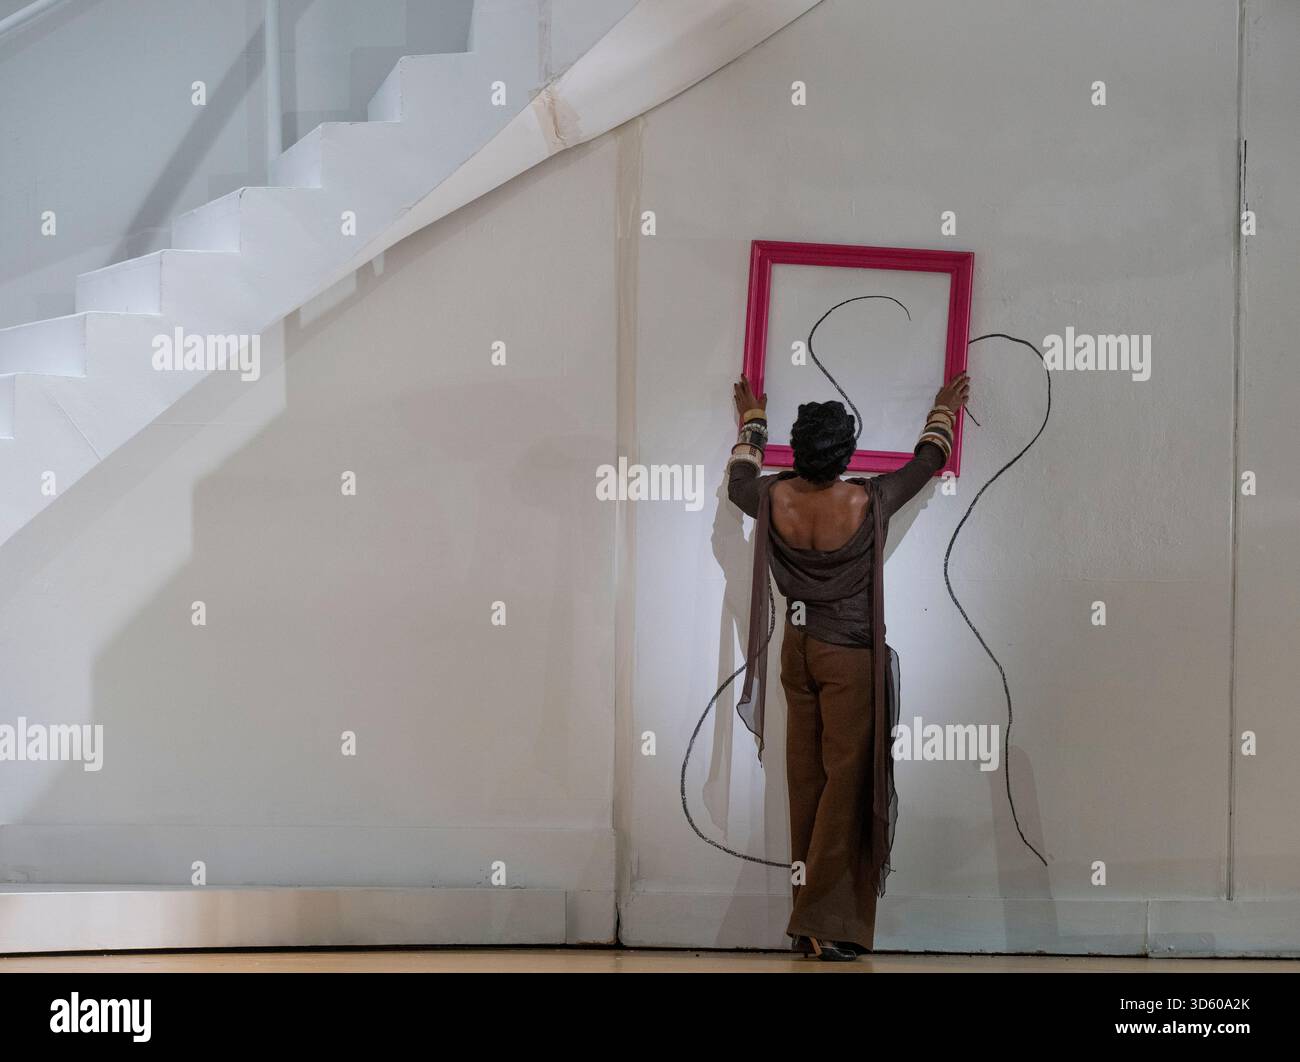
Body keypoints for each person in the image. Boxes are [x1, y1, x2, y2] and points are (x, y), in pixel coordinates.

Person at [725, 370, 971, 961]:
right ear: (846, 454)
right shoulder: (866, 498)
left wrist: (751, 422)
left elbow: (738, 482)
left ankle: (808, 916)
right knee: (847, 785)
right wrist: (942, 409)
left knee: (806, 780)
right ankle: (820, 920)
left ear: (799, 448)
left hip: (797, 653)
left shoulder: (773, 496)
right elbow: (928, 461)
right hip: (848, 657)